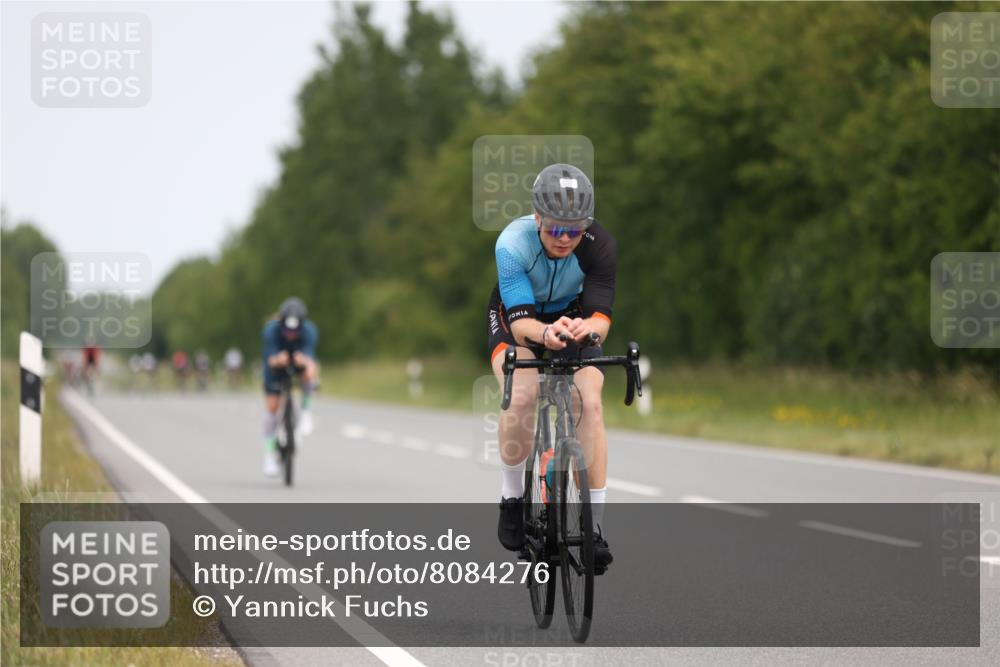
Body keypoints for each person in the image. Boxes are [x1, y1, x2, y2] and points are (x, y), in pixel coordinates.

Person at [487, 163, 617, 570]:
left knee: (590, 404)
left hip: (572, 318)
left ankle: (593, 525)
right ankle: (512, 497)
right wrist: (545, 336)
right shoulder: (512, 243)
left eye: (574, 230)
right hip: (517, 319)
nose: (564, 238)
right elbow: (523, 322)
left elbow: (601, 318)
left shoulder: (600, 245)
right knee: (523, 396)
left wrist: (585, 329)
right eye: (555, 228)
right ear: (538, 217)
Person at [261, 297, 319, 477]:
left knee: (309, 374)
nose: (291, 334)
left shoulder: (309, 331)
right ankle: (269, 455)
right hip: (275, 366)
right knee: (272, 407)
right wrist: (278, 360)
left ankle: (306, 413)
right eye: (287, 330)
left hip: (298, 361)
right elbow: (269, 359)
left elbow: (310, 361)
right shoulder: (271, 330)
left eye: (295, 331)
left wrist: (307, 365)